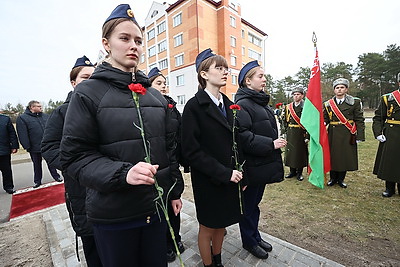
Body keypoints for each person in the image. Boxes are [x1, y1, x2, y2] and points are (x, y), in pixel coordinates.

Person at [60, 4, 183, 267]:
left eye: (138, 40)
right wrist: (122, 173)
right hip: (114, 215)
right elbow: (74, 157)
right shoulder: (88, 93)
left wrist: (174, 192)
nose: (133, 46)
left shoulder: (154, 96)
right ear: (106, 44)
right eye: (124, 38)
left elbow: (169, 150)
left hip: (155, 210)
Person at [181, 48, 244, 267]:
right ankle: (208, 265)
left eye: (226, 68)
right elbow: (191, 151)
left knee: (222, 224)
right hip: (209, 179)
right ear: (204, 74)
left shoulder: (228, 104)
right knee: (208, 226)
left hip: (230, 177)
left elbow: (236, 143)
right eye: (219, 68)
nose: (225, 72)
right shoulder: (194, 106)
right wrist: (223, 172)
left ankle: (218, 261)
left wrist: (239, 174)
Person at [41, 56, 102, 266]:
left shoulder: (105, 106)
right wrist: (77, 165)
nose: (91, 81)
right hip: (80, 187)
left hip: (109, 186)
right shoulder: (62, 113)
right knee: (92, 240)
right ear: (73, 83)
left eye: (94, 77)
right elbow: (49, 147)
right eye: (85, 77)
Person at [235, 60, 286, 259]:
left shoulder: (259, 102)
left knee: (254, 205)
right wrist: (270, 144)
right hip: (251, 167)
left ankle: (255, 236)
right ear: (248, 81)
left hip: (262, 165)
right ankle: (249, 241)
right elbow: (243, 137)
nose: (264, 80)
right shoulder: (242, 105)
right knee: (248, 207)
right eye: (260, 76)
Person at [148, 67, 185, 262]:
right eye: (158, 83)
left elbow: (179, 135)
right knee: (161, 208)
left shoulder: (171, 106)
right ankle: (164, 244)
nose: (163, 87)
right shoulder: (147, 107)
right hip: (157, 165)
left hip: (172, 163)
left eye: (164, 83)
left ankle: (175, 237)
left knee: (175, 204)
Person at [323, 78, 365, 188]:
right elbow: (325, 118)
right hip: (332, 133)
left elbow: (359, 119)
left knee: (344, 156)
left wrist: (360, 136)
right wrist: (322, 123)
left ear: (346, 89)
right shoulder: (328, 104)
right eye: (337, 88)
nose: (339, 90)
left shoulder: (355, 102)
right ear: (334, 90)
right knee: (333, 156)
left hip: (347, 133)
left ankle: (341, 179)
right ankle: (333, 178)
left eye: (342, 87)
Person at [16, 100, 62, 188]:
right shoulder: (23, 118)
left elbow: (52, 128)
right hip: (34, 146)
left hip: (48, 145)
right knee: (37, 165)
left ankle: (56, 176)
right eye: (38, 106)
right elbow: (22, 133)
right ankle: (37, 181)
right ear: (32, 107)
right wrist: (27, 146)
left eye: (41, 106)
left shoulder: (45, 116)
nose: (41, 108)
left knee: (51, 162)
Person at [372, 72, 400, 197]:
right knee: (391, 161)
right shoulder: (387, 98)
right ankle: (390, 188)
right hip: (392, 133)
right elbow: (378, 118)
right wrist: (378, 133)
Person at [282, 87, 308, 181]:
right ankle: (292, 171)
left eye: (298, 94)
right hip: (290, 132)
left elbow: (309, 122)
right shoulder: (288, 107)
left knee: (299, 153)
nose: (296, 96)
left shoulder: (306, 106)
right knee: (290, 152)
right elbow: (284, 120)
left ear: (302, 95)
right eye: (294, 94)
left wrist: (307, 136)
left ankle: (299, 173)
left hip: (301, 132)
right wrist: (283, 133)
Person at [0, 114, 19, 194]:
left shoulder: (5, 119)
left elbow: (12, 133)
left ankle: (9, 187)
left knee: (6, 171)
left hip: (4, 150)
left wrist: (14, 146)